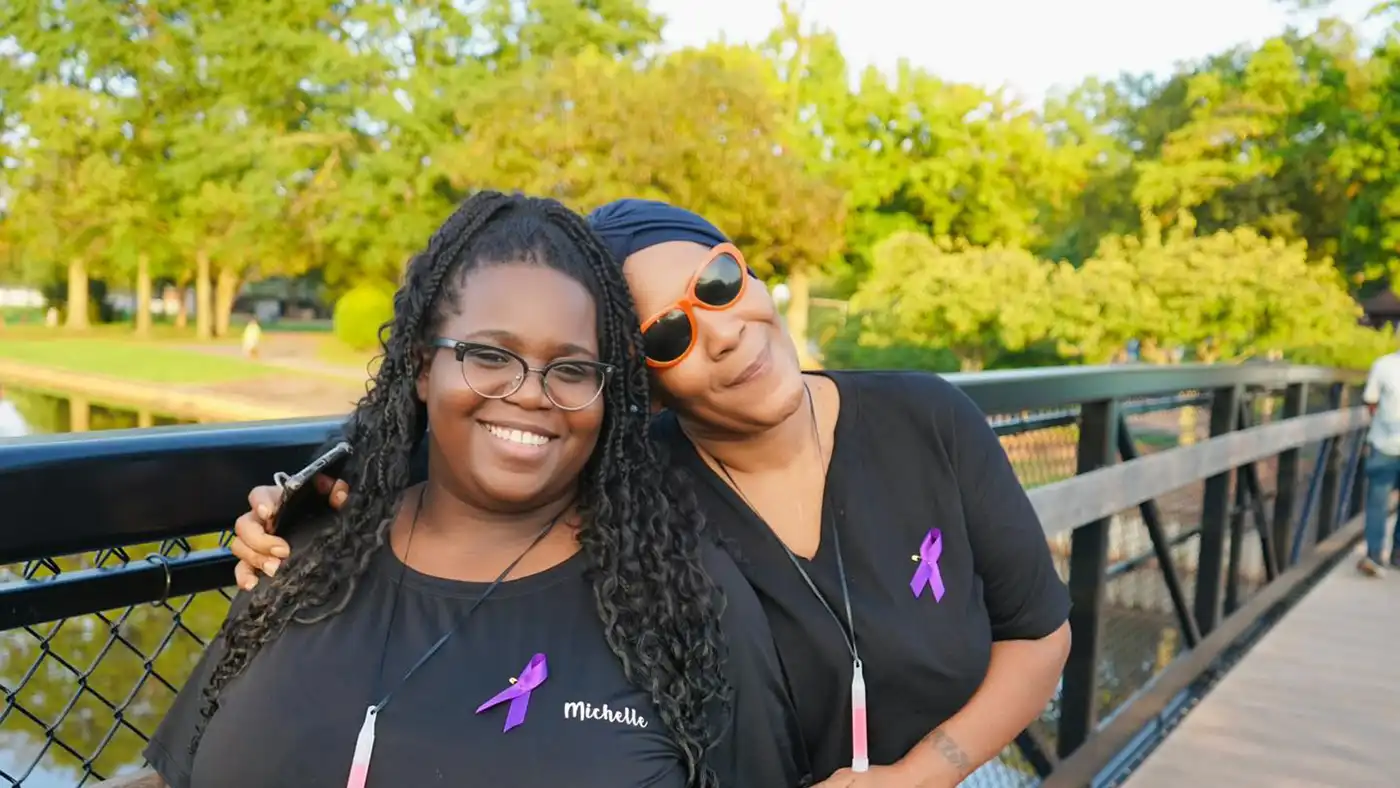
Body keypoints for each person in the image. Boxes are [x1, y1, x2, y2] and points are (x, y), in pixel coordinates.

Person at [228, 199, 1071, 787]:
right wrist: (298, 504)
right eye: (670, 335)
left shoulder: (927, 418)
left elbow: (1040, 637)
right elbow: (467, 442)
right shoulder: (639, 486)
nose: (727, 334)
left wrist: (923, 776)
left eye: (719, 283)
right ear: (646, 390)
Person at [113, 193, 805, 788]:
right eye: (490, 357)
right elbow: (174, 773)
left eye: (571, 368)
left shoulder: (687, 599)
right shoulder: (309, 550)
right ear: (421, 368)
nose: (530, 395)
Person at [1359, 348, 1400, 576]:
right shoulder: (1383, 364)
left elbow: (1371, 401)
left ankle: (1379, 554)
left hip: (1384, 442)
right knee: (1378, 502)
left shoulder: (1383, 365)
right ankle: (1387, 555)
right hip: (1385, 445)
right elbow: (1371, 401)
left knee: (1377, 502)